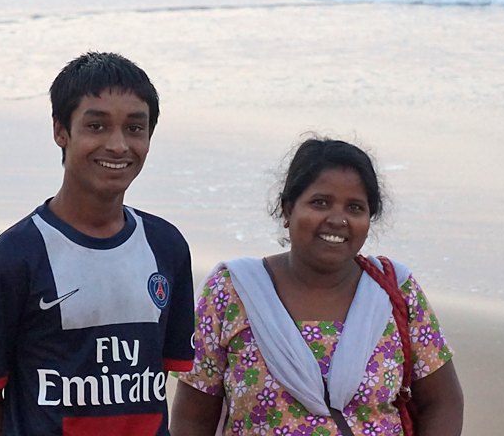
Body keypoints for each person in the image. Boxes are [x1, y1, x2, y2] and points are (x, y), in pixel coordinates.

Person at [0, 52, 195, 436]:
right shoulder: (7, 263)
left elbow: (168, 370)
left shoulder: (167, 247)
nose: (118, 145)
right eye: (96, 126)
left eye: (135, 128)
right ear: (61, 131)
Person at [171, 136, 464, 435]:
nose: (338, 219)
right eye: (320, 202)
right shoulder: (232, 291)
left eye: (355, 208)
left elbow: (443, 402)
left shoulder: (395, 290)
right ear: (287, 210)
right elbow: (192, 418)